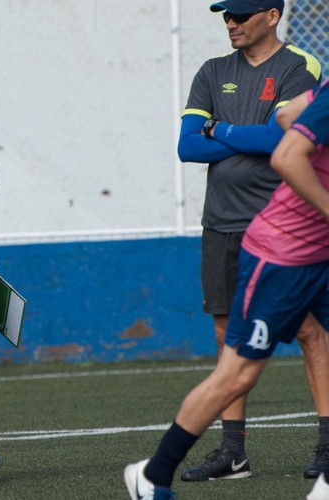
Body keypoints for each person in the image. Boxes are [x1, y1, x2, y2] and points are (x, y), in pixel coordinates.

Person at [126, 75, 329, 500]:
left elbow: (287, 113)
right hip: (280, 258)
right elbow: (287, 156)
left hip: (317, 255)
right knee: (237, 375)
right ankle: (153, 475)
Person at [176, 0, 326, 482]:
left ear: (272, 15)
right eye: (225, 16)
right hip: (220, 222)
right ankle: (232, 454)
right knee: (226, 338)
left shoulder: (300, 66)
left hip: (283, 227)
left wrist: (218, 128)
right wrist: (244, 133)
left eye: (240, 14)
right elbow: (187, 146)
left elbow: (279, 141)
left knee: (310, 332)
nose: (231, 23)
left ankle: (326, 446)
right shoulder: (211, 70)